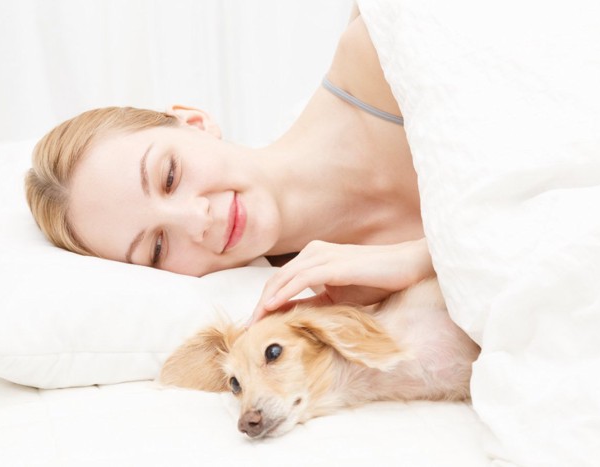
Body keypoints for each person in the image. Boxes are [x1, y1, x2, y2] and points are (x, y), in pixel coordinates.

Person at [25, 6, 435, 324]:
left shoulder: (381, 50)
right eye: (157, 248)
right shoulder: (339, 302)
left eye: (169, 177)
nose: (196, 220)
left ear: (195, 122)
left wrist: (421, 261)